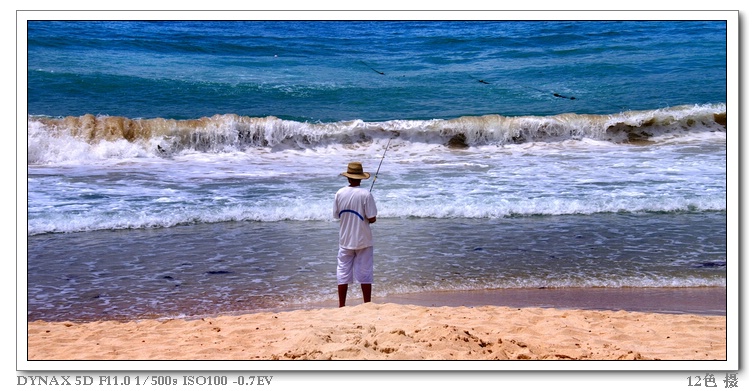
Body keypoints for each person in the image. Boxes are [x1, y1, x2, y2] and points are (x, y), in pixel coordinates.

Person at [333, 162, 378, 307]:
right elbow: (372, 218)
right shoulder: (366, 194)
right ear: (360, 178)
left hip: (345, 239)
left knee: (343, 271)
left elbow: (337, 216)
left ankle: (341, 305)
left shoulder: (339, 193)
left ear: (348, 178)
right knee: (365, 272)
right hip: (363, 239)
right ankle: (367, 304)